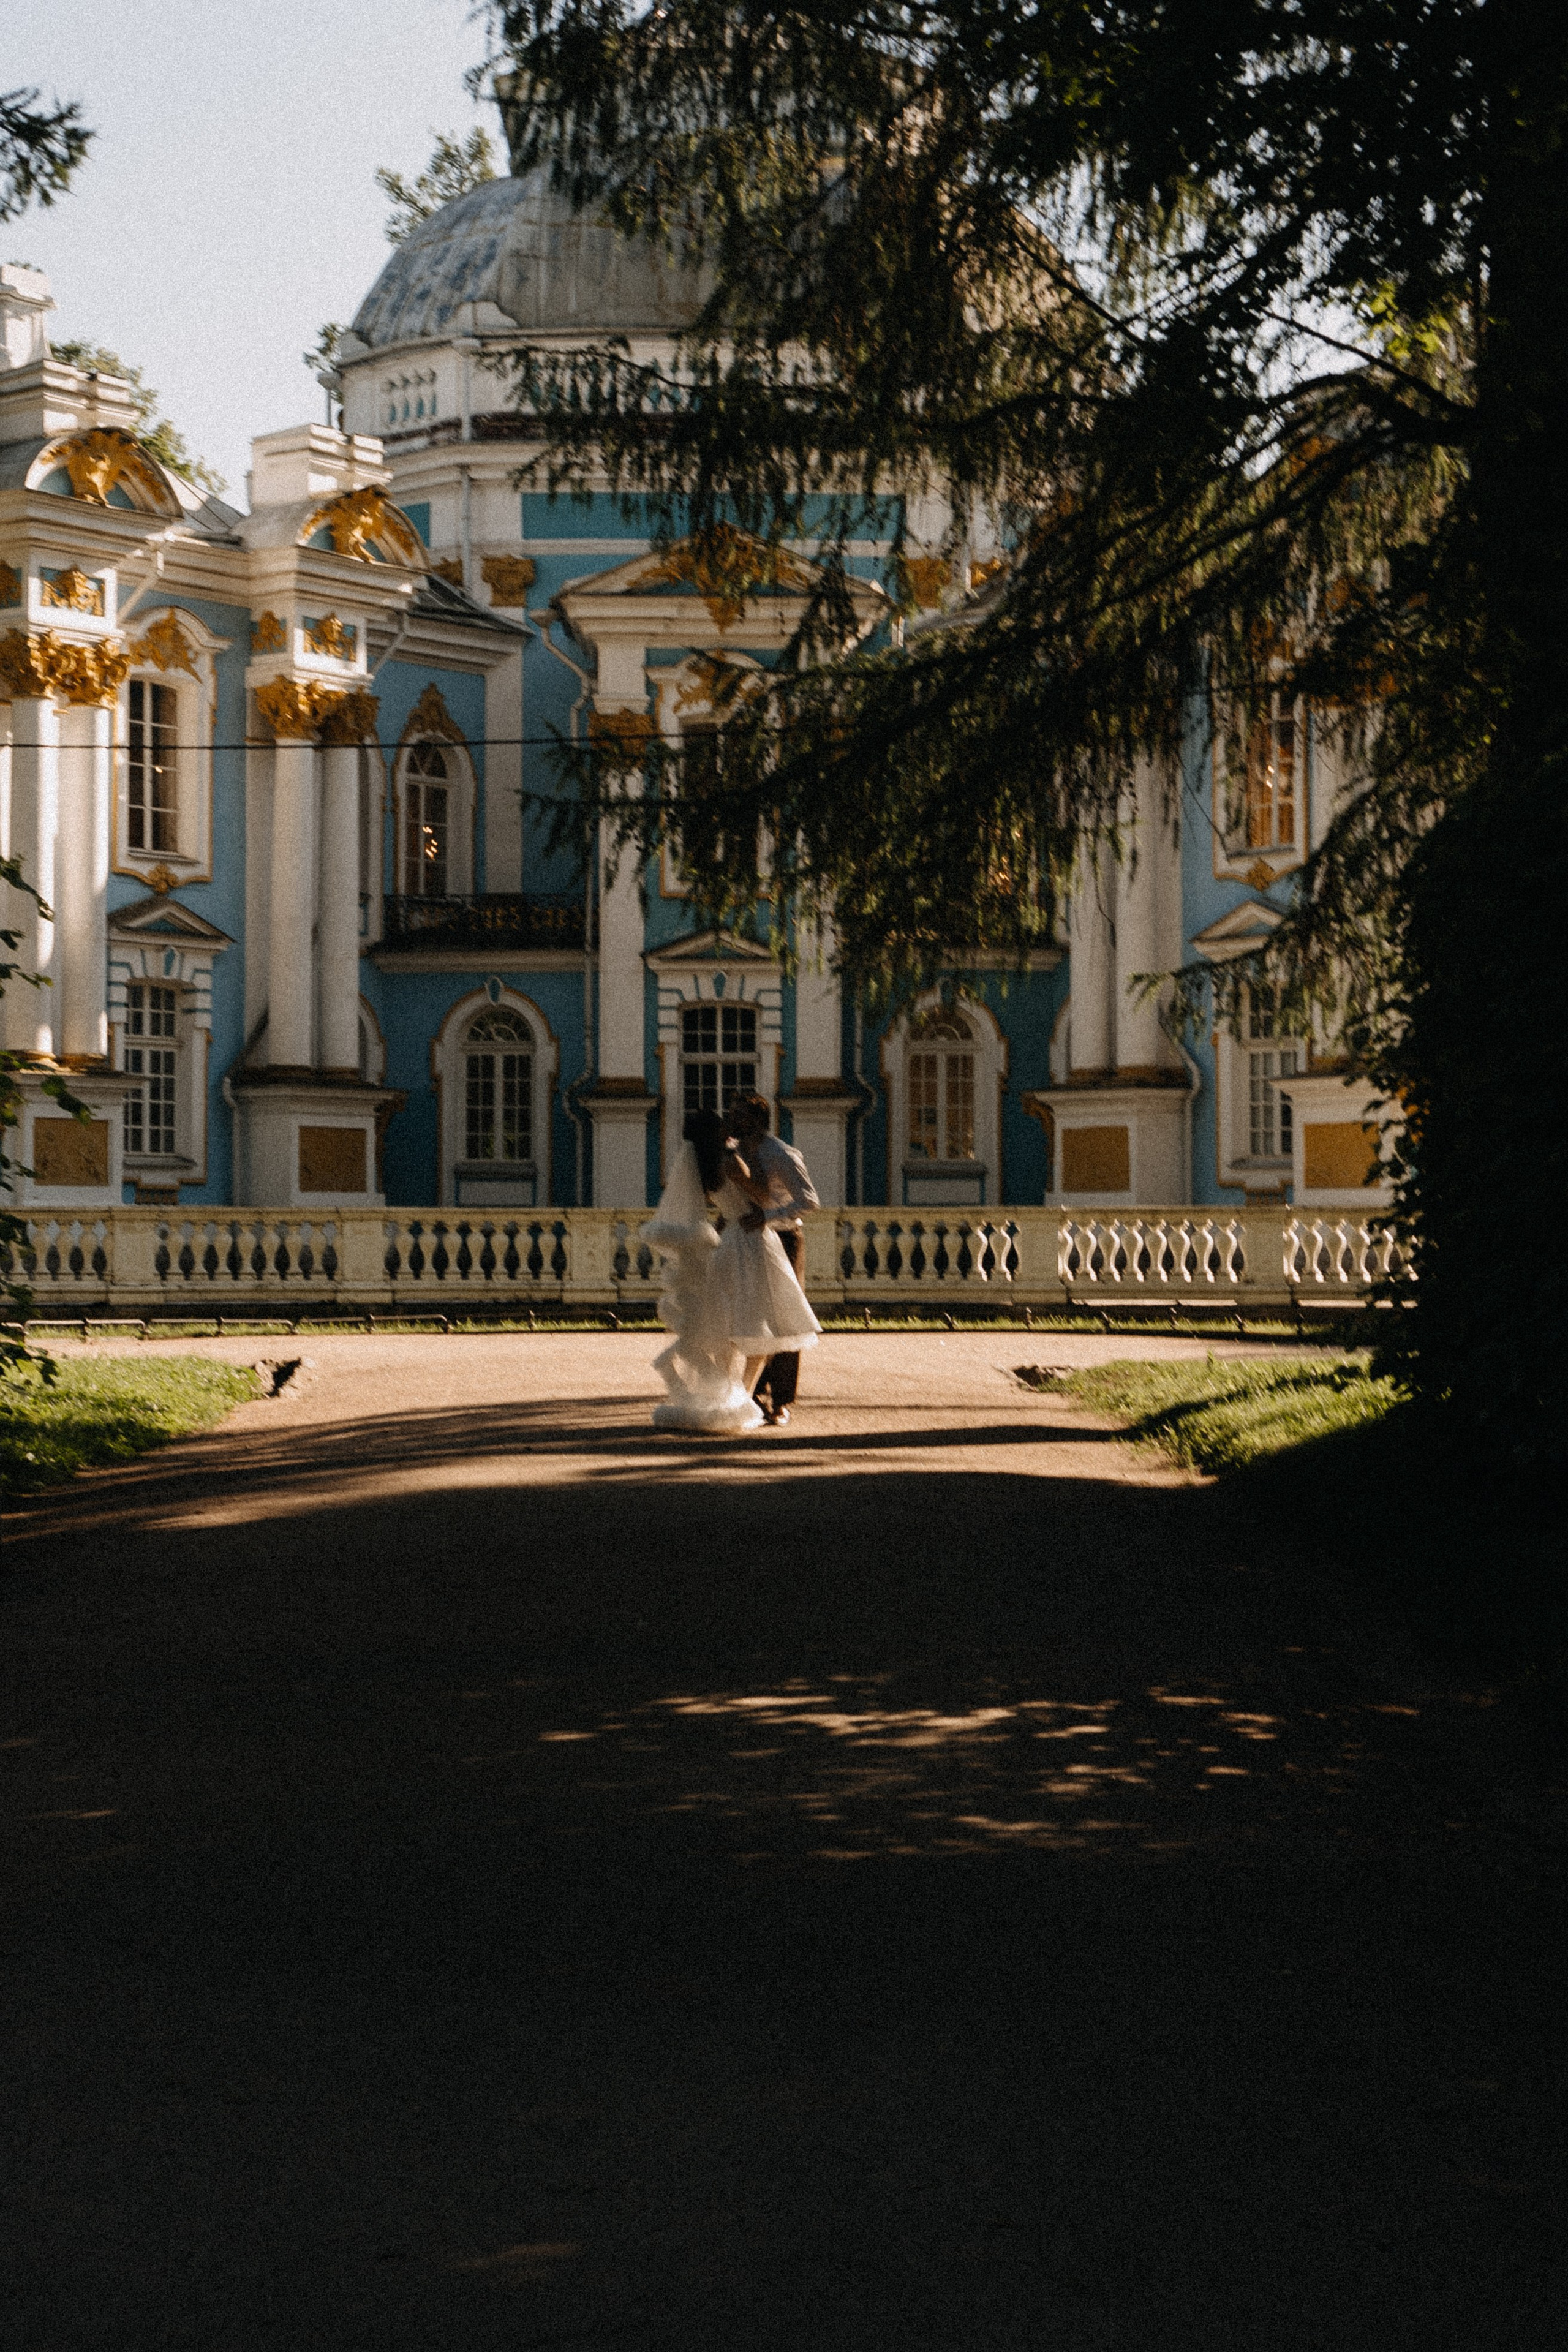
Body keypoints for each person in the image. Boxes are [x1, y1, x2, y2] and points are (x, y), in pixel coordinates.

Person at [641, 1105, 820, 1433]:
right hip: (752, 1241)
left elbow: (724, 1206)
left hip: (729, 1243)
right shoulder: (732, 1161)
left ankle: (731, 1395)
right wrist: (760, 1185)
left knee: (730, 1326)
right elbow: (763, 1198)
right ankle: (744, 1398)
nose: (731, 1125)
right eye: (725, 1122)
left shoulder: (703, 1167)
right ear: (717, 1132)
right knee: (765, 1324)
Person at [729, 1091, 820, 1426]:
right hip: (752, 1242)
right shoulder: (735, 1153)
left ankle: (781, 1400)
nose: (731, 1120)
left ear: (755, 1121)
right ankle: (753, 1394)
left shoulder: (780, 1154)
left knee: (786, 1319)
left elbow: (809, 1202)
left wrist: (768, 1218)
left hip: (784, 1238)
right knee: (755, 1317)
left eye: (737, 1115)